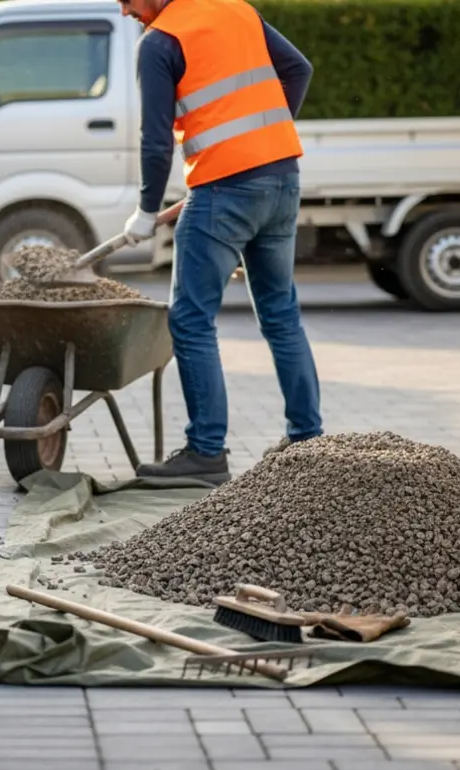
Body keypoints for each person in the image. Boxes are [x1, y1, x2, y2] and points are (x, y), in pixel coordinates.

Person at [119, 0, 324, 484]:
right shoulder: (236, 9)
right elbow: (299, 69)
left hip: (223, 192)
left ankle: (206, 452)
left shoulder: (160, 42)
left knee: (190, 320)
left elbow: (155, 139)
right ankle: (309, 442)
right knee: (280, 314)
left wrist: (146, 210)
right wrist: (262, 143)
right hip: (282, 179)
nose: (124, 10)